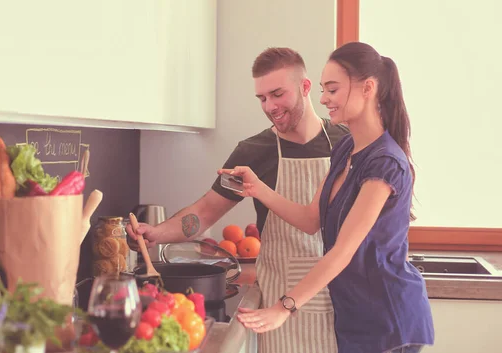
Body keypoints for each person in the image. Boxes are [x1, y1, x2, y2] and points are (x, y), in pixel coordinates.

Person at [127, 47, 349, 352]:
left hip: (338, 300)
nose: (270, 106)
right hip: (275, 304)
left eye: (277, 94)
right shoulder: (252, 152)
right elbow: (205, 212)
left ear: (306, 87)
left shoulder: (345, 142)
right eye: (262, 98)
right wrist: (156, 234)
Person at [222, 42, 435, 353]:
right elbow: (311, 220)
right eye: (323, 90)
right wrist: (259, 189)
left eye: (333, 90)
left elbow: (343, 251)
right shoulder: (347, 149)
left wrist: (284, 306)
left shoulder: (384, 163)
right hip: (355, 315)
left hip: (388, 319)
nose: (323, 99)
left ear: (368, 89)